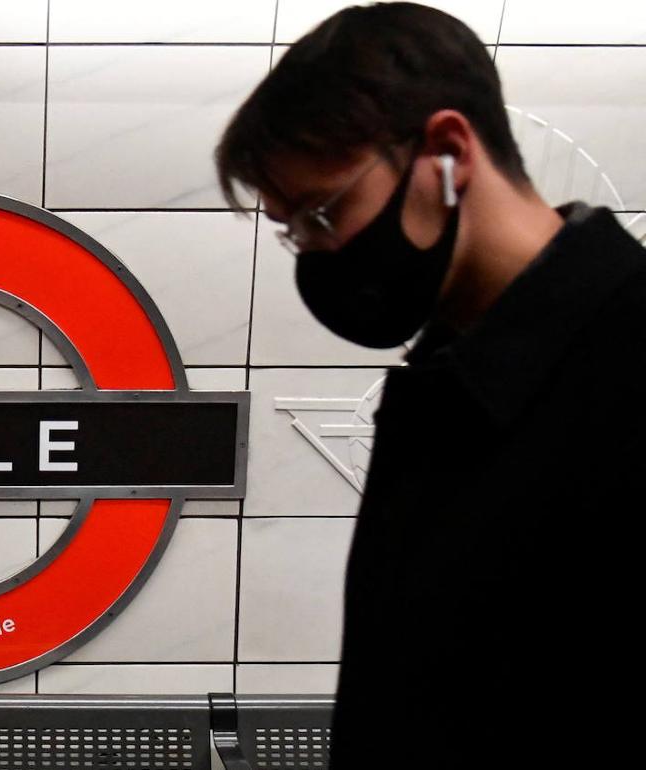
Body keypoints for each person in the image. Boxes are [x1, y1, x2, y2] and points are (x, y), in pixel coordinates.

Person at [215, 3, 642, 768]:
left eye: (322, 213)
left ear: (447, 152)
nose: (313, 255)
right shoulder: (445, 380)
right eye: (293, 230)